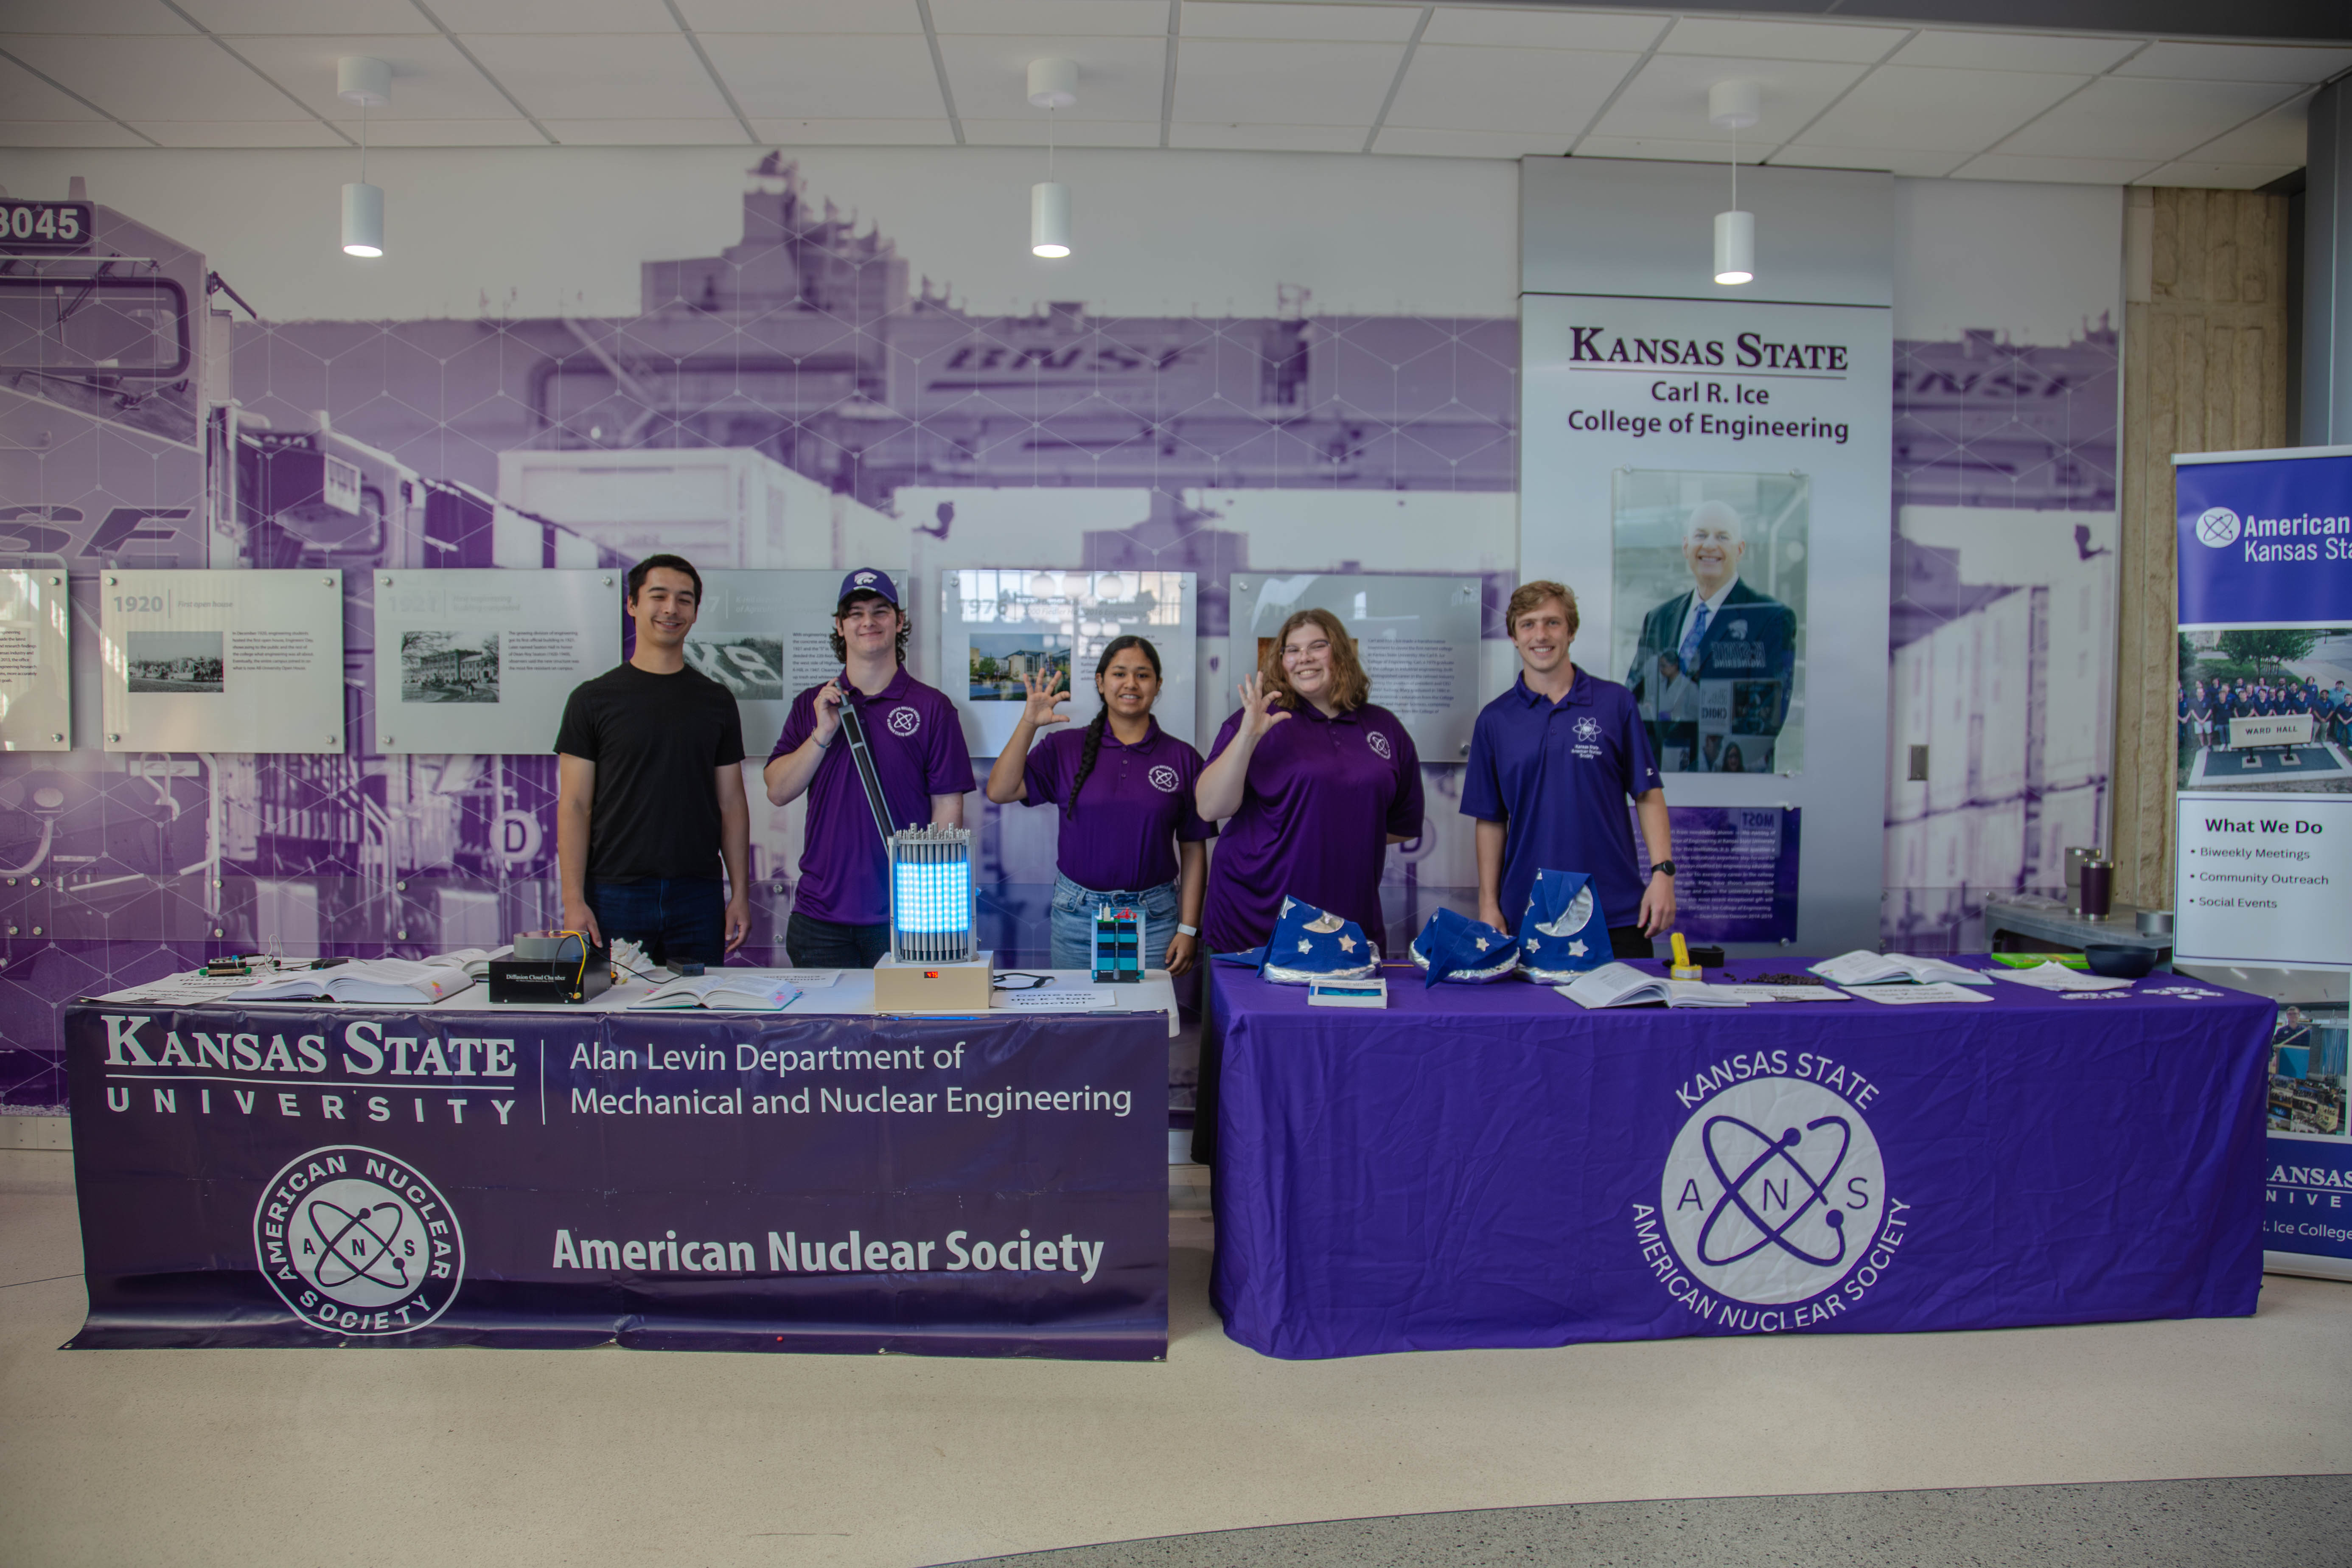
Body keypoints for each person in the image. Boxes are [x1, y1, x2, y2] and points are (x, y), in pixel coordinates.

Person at [763, 568, 972, 968]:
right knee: (823, 1032)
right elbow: (777, 789)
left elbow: (947, 808)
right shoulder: (812, 703)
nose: (868, 622)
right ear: (840, 627)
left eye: (880, 611)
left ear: (899, 621)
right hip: (819, 916)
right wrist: (822, 733)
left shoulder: (932, 707)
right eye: (855, 613)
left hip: (903, 916)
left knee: (909, 1029)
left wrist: (926, 901)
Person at [555, 553, 751, 966]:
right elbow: (574, 805)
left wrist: (739, 895)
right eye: (658, 596)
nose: (670, 609)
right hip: (614, 893)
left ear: (696, 612)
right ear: (632, 604)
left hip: (697, 894)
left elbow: (732, 803)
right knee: (613, 1020)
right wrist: (574, 901)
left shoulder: (716, 700)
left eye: (684, 600)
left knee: (699, 1021)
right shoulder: (591, 700)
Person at [1195, 607, 1424, 956]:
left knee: (1340, 1011)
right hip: (1256, 914)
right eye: (1293, 650)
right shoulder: (1258, 719)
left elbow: (1403, 824)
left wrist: (1330, 833)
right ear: (1281, 660)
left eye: (1318, 646)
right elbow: (1211, 807)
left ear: (1341, 653)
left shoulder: (1384, 726)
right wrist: (1246, 737)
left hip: (1346, 919)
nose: (1304, 658)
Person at [1465, 580, 1674, 960]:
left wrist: (1663, 874)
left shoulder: (1616, 704)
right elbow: (1490, 820)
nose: (1540, 635)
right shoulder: (1494, 721)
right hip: (1527, 913)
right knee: (1533, 1021)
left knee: (1628, 1020)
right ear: (1513, 636)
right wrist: (1488, 904)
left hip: (1615, 912)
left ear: (1571, 631)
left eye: (1552, 623)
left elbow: (1647, 793)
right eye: (1528, 624)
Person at [983, 635, 1213, 974]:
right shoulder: (1064, 747)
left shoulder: (1183, 758)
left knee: (1145, 1022)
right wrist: (1028, 723)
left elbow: (1193, 848)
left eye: (1143, 675)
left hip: (1153, 918)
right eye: (1119, 673)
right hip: (1077, 915)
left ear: (1158, 684)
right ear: (1101, 681)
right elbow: (999, 791)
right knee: (1082, 1024)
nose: (1130, 684)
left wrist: (1188, 927)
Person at [1626, 499, 1796, 770]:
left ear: (1740, 550)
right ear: (1686, 546)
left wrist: (1697, 774)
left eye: (1723, 537)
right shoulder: (1659, 618)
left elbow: (1762, 721)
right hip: (1660, 786)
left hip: (1727, 790)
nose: (1710, 545)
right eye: (1701, 535)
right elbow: (1635, 705)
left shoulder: (1770, 619)